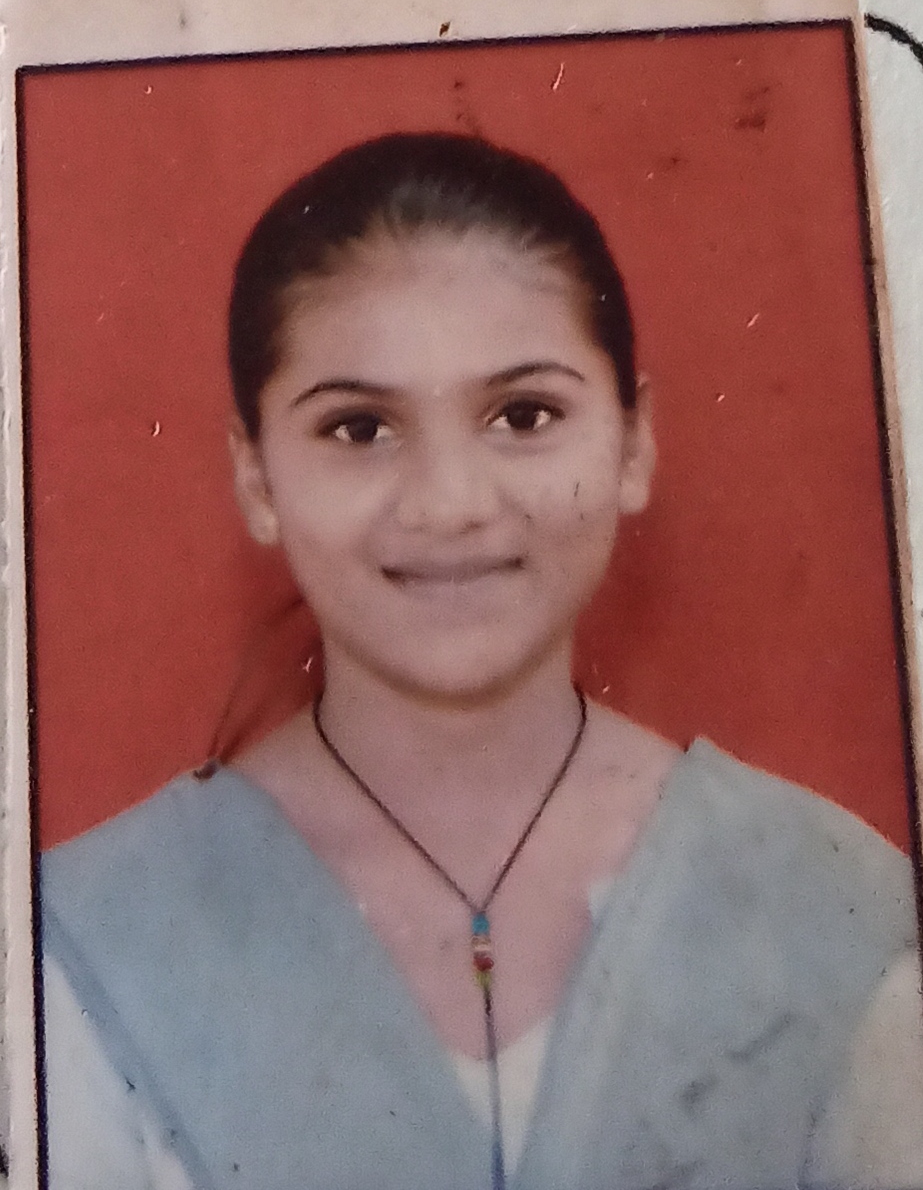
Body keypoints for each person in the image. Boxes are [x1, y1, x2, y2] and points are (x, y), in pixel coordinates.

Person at [40, 132, 923, 1190]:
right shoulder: (89, 943)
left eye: (523, 414)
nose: (450, 502)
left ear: (632, 441)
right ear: (257, 477)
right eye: (358, 428)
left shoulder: (830, 903)